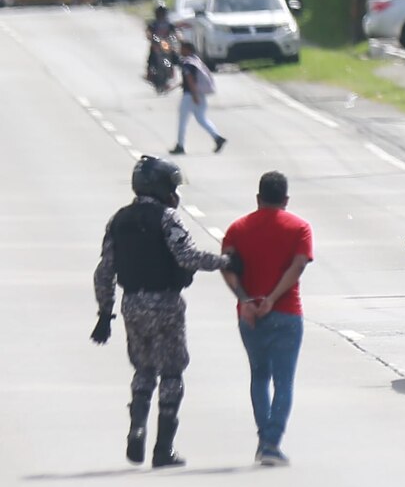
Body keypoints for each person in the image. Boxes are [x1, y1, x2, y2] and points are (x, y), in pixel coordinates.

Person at [91, 155, 242, 467]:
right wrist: (225, 262)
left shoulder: (118, 220)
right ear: (160, 188)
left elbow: (104, 271)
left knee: (144, 370)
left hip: (132, 304)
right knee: (171, 373)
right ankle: (163, 449)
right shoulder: (166, 218)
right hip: (166, 305)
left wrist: (104, 315)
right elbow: (186, 257)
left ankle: (137, 428)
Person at [221, 171, 313, 466]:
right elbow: (298, 266)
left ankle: (264, 439)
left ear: (258, 198)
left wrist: (246, 300)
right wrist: (272, 299)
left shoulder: (237, 228)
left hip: (249, 317)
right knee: (284, 381)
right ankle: (272, 443)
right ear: (285, 199)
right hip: (287, 312)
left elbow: (227, 266)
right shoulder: (300, 228)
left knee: (259, 377)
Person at [170, 42, 226, 155]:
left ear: (187, 49)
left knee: (182, 121)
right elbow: (190, 79)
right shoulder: (196, 61)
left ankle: (180, 145)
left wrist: (194, 95)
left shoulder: (187, 63)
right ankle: (217, 137)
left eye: (182, 48)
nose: (180, 50)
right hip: (200, 94)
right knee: (201, 118)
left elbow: (190, 80)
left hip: (190, 95)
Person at [146, 1, 179, 83]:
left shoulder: (169, 24)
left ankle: (172, 72)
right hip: (156, 45)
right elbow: (148, 32)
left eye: (162, 12)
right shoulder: (154, 24)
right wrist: (150, 36)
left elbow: (175, 32)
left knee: (175, 56)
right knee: (151, 58)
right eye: (159, 12)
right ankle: (149, 74)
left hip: (167, 44)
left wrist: (177, 37)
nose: (161, 14)